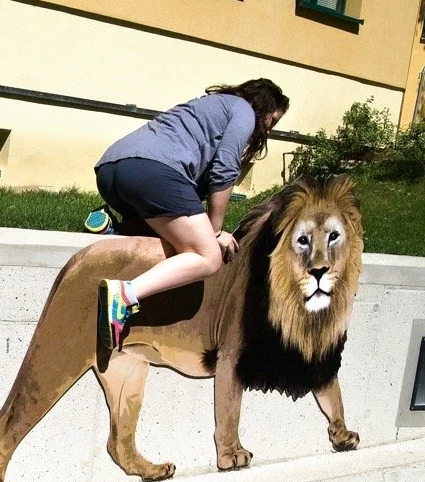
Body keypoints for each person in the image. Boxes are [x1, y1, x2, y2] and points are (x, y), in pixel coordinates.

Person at [93, 78, 289, 348]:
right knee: (207, 256)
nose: (268, 128)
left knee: (171, 240)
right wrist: (214, 232)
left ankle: (116, 229)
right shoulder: (243, 111)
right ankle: (125, 296)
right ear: (264, 106)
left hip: (111, 170)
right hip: (154, 171)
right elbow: (225, 168)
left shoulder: (210, 105)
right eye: (272, 120)